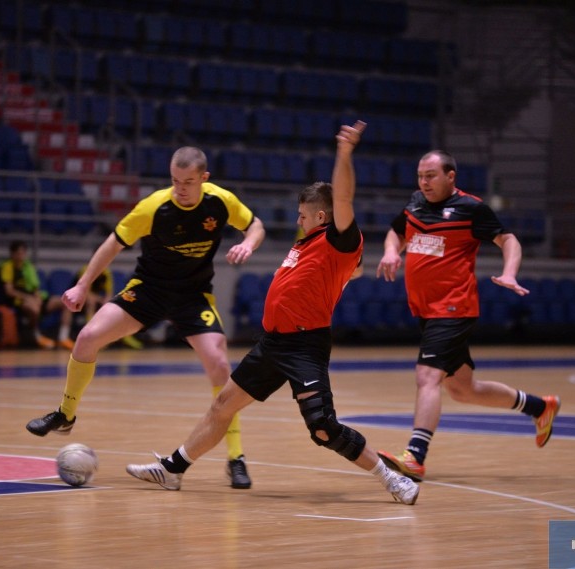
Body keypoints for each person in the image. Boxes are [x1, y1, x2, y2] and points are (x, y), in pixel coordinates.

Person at [125, 121, 420, 505]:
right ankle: (172, 469)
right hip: (273, 344)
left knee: (323, 429)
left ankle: (391, 479)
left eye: (303, 214)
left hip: (304, 345)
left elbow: (343, 198)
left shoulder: (338, 240)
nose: (298, 219)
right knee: (222, 405)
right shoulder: (308, 243)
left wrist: (344, 154)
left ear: (322, 217)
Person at [26, 146, 266, 489]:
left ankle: (236, 458)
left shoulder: (220, 201)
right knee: (87, 338)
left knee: (219, 364)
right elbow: (112, 244)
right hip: (149, 290)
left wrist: (249, 244)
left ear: (203, 179)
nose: (180, 188)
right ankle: (65, 413)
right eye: (174, 180)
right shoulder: (154, 207)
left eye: (188, 181)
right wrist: (81, 286)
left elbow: (255, 225)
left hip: (192, 297)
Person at [374, 150, 561, 482]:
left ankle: (415, 456)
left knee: (427, 376)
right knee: (463, 389)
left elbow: (509, 240)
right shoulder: (416, 202)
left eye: (431, 175)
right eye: (420, 175)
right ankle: (538, 407)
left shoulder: (471, 208)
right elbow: (397, 231)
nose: (424, 182)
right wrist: (391, 251)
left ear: (450, 177)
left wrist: (510, 273)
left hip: (453, 307)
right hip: (426, 311)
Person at [55, 264, 143, 351]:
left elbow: (109, 295)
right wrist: (99, 299)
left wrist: (107, 304)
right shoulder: (86, 270)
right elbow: (85, 292)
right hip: (74, 298)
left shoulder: (107, 273)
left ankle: (120, 336)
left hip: (93, 300)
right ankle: (70, 338)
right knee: (87, 303)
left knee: (112, 306)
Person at [0, 239, 64, 349]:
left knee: (64, 302)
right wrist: (28, 297)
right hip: (18, 300)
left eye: (23, 253)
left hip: (33, 298)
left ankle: (63, 337)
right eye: (19, 253)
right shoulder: (7, 267)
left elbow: (35, 287)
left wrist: (37, 297)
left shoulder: (28, 267)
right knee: (34, 308)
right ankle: (36, 336)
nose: (22, 256)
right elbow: (9, 291)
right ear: (13, 254)